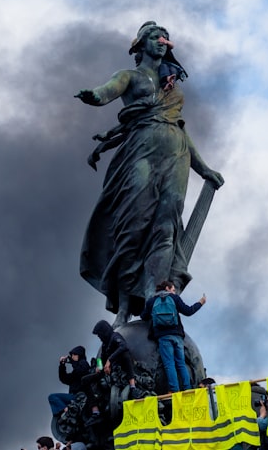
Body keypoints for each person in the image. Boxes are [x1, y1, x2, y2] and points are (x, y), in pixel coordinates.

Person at [76, 21, 224, 325]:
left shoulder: (172, 82)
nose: (163, 42)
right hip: (141, 151)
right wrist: (93, 96)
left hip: (176, 153)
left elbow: (180, 129)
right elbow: (105, 92)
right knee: (134, 224)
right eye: (157, 37)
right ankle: (124, 306)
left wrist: (204, 168)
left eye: (166, 39)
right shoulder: (129, 76)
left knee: (166, 226)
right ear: (141, 43)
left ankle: (158, 298)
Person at [141, 280, 206, 392]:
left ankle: (174, 390)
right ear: (167, 288)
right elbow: (188, 311)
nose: (174, 292)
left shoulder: (152, 301)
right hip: (177, 336)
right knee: (180, 363)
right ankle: (187, 388)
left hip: (163, 337)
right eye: (173, 289)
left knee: (169, 364)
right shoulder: (175, 299)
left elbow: (144, 316)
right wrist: (200, 302)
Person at [48, 345, 91, 418]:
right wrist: (62, 365)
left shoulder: (83, 363)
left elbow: (82, 372)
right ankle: (67, 411)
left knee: (53, 397)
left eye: (74, 354)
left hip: (80, 396)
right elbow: (64, 379)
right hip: (74, 397)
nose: (72, 356)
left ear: (79, 354)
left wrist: (73, 362)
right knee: (52, 397)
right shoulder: (75, 371)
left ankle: (68, 412)